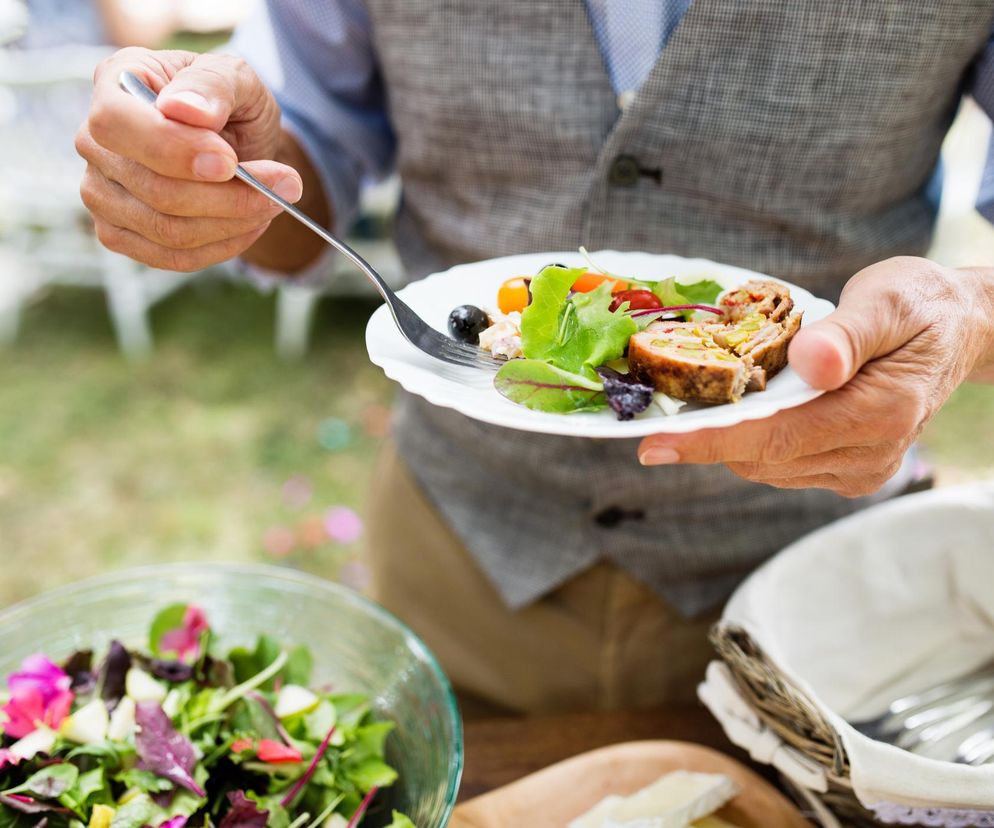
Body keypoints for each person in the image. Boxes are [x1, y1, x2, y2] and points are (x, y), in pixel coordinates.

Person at [74, 2, 994, 715]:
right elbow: (296, 177)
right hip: (462, 559)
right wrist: (217, 172)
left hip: (824, 591)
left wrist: (970, 320)